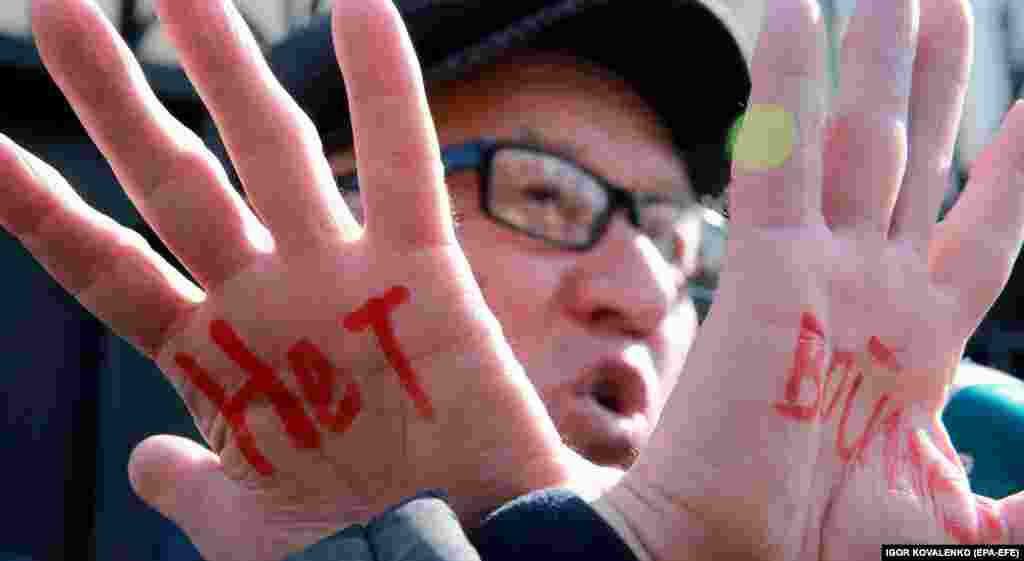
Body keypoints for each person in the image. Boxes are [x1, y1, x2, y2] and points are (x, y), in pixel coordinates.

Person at [5, 0, 1024, 560]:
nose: (640, 288)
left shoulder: (949, 476)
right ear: (319, 230)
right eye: (543, 197)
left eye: (675, 235)